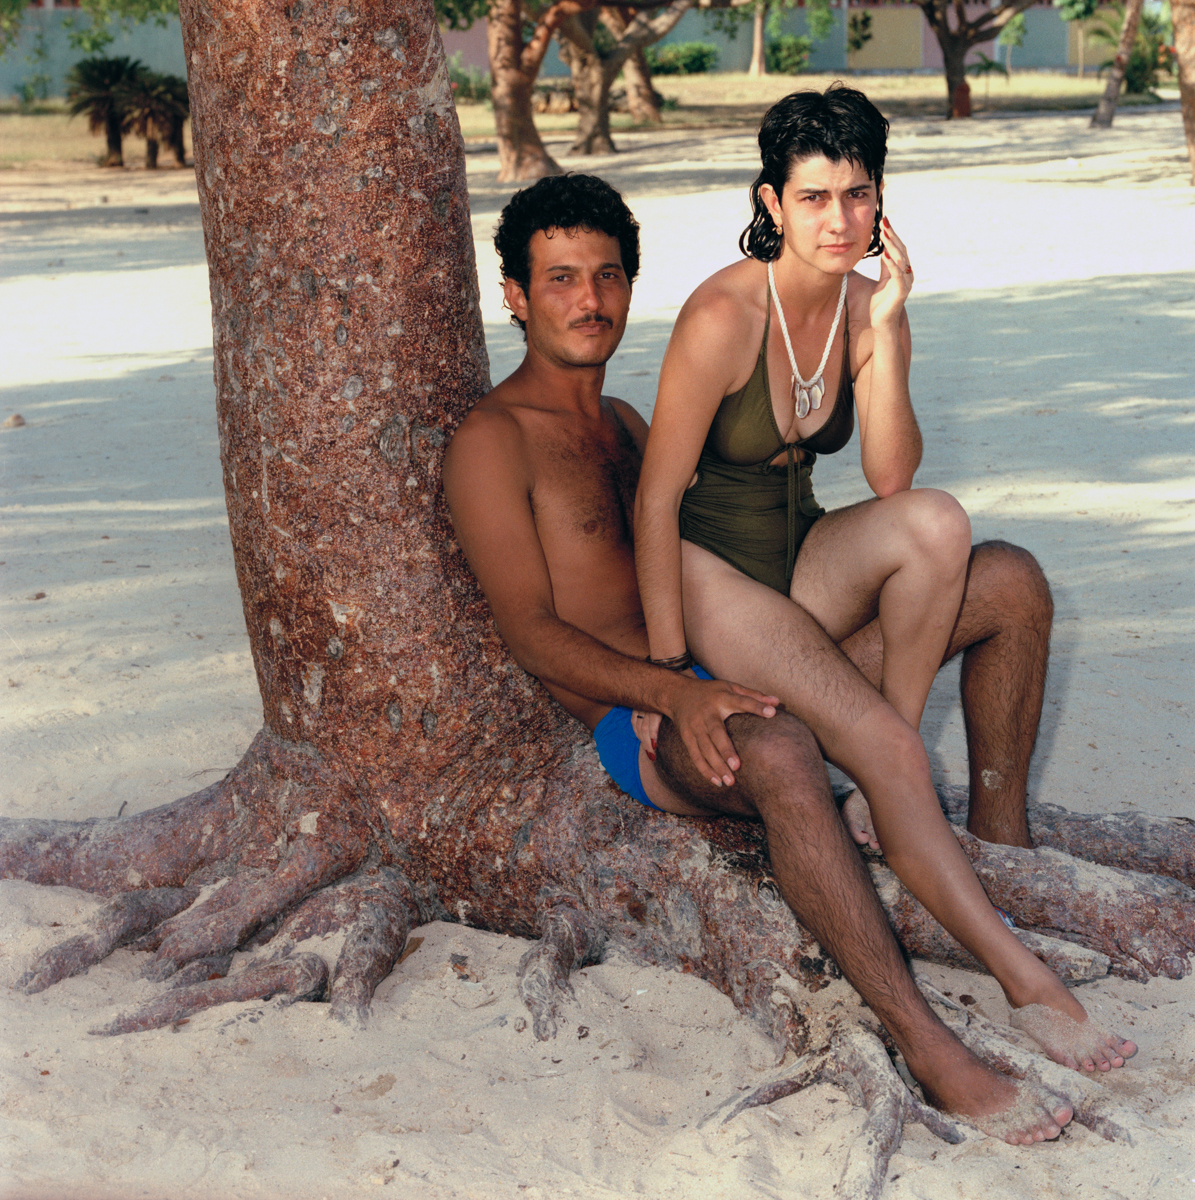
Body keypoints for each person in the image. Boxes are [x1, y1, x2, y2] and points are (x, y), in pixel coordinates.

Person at [443, 172, 1129, 1148]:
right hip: (634, 717)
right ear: (513, 295)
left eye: (605, 277)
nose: (588, 301)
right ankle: (925, 1041)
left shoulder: (629, 424)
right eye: (558, 280)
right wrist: (666, 695)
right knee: (778, 752)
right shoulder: (492, 439)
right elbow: (530, 633)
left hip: (730, 657)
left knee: (1006, 581)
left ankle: (996, 852)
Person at [632, 84, 1135, 1086]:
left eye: (856, 195)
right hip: (711, 571)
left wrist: (892, 328)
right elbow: (653, 501)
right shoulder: (722, 313)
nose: (837, 219)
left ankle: (881, 760)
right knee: (894, 751)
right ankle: (1022, 977)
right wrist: (665, 679)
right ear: (769, 200)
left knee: (939, 522)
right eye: (813, 196)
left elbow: (892, 481)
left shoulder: (866, 307)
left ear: (877, 199)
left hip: (803, 560)